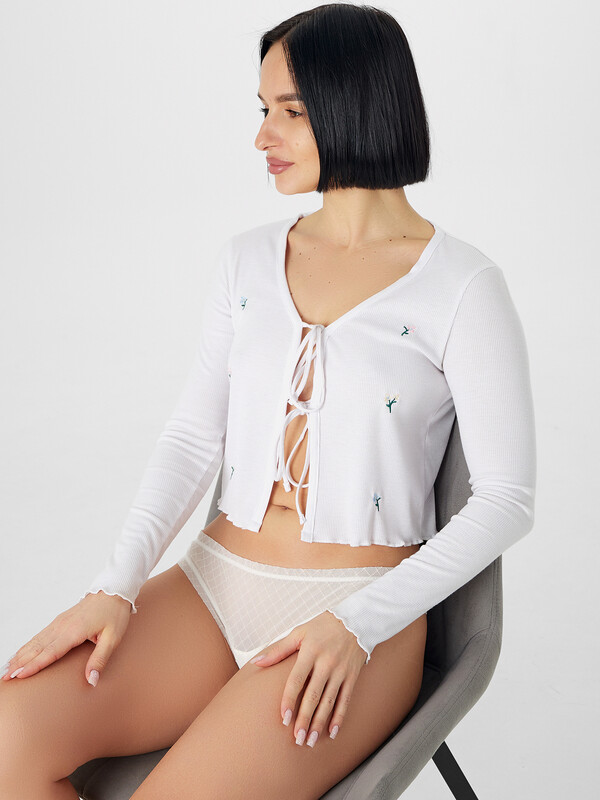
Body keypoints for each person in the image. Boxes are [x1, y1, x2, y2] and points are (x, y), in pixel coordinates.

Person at [0, 3, 536, 798]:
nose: (262, 136)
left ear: (355, 104)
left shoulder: (461, 285)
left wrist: (361, 622)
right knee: (8, 734)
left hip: (359, 614)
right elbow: (192, 438)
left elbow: (506, 501)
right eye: (263, 110)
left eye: (290, 111)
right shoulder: (246, 261)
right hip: (212, 587)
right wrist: (113, 586)